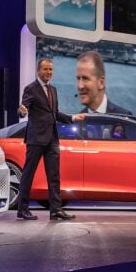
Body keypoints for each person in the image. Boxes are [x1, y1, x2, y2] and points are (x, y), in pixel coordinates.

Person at [16, 58, 86, 221]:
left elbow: (54, 113)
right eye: (46, 69)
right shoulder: (30, 89)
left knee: (54, 176)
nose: (49, 73)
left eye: (51, 70)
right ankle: (22, 209)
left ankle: (56, 210)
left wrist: (73, 118)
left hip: (52, 139)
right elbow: (23, 109)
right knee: (28, 174)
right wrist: (22, 111)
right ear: (38, 71)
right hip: (36, 139)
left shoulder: (53, 90)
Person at [76, 50, 132, 115]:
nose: (80, 86)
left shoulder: (123, 117)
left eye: (85, 78)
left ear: (101, 82)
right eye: (78, 78)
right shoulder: (77, 121)